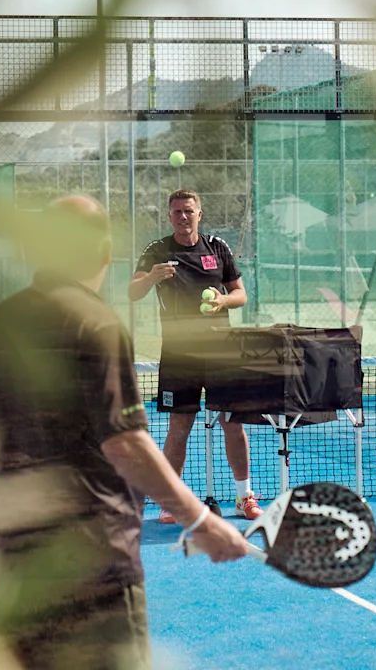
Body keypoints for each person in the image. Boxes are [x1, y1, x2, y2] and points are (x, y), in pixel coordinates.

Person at [0, 195, 248, 670]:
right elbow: (126, 444)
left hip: (15, 560)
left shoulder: (0, 322)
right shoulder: (96, 322)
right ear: (103, 255)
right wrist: (200, 521)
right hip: (95, 559)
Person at [128, 189, 263, 524]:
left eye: (188, 211)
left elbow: (240, 294)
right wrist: (152, 277)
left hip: (221, 353)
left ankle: (244, 497)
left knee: (233, 424)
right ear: (170, 216)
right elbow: (132, 292)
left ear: (199, 214)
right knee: (179, 429)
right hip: (179, 356)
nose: (182, 217)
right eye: (176, 212)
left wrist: (222, 302)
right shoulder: (156, 251)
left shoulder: (218, 247)